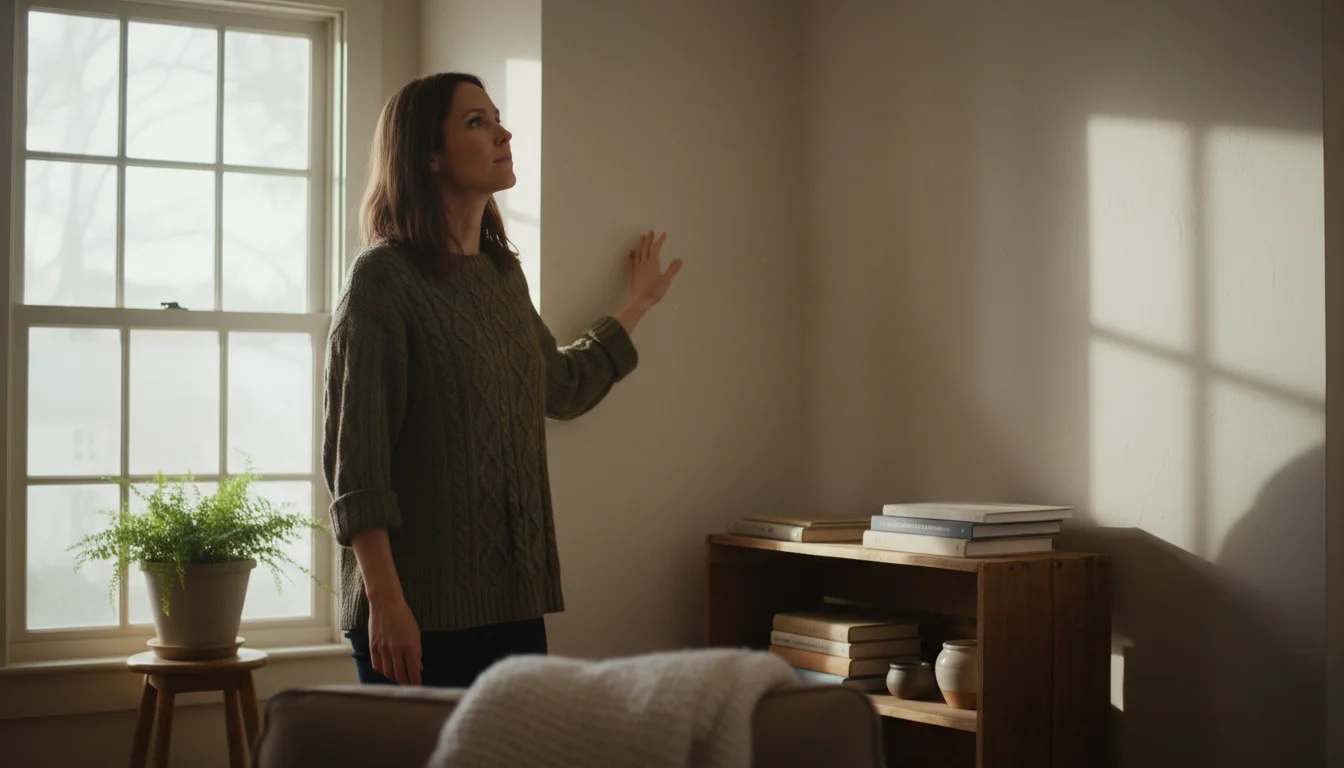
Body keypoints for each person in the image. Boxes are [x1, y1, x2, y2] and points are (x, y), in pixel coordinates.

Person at [322, 72, 681, 688]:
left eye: (495, 117)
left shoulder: (501, 277)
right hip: (415, 614)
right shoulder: (382, 280)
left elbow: (560, 385)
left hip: (514, 606)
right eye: (476, 122)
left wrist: (637, 304)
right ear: (428, 155)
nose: (503, 132)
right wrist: (385, 602)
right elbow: (357, 469)